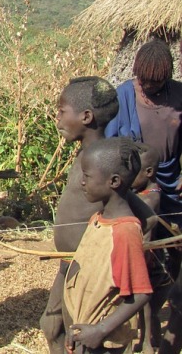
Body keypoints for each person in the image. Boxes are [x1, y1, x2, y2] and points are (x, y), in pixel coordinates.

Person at [39, 76, 155, 354]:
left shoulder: (102, 166)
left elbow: (145, 215)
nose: (57, 119)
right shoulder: (88, 159)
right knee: (51, 325)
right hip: (69, 265)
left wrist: (129, 248)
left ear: (86, 116)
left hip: (89, 272)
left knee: (77, 333)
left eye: (62, 112)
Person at [64, 137, 153, 353]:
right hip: (85, 334)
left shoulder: (124, 232)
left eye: (87, 176)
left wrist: (101, 330)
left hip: (103, 343)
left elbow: (141, 294)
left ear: (113, 182)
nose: (82, 182)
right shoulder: (98, 219)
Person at [106, 38, 182, 280]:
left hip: (172, 185)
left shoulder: (179, 96)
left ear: (166, 76)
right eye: (143, 79)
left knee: (172, 245)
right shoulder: (123, 96)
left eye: (155, 81)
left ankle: (169, 293)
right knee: (136, 244)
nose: (147, 85)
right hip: (133, 185)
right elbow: (109, 146)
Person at [131, 142, 169, 354]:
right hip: (140, 254)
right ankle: (143, 340)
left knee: (145, 305)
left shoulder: (152, 195)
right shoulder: (141, 191)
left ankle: (147, 343)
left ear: (149, 172)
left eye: (132, 172)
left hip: (146, 257)